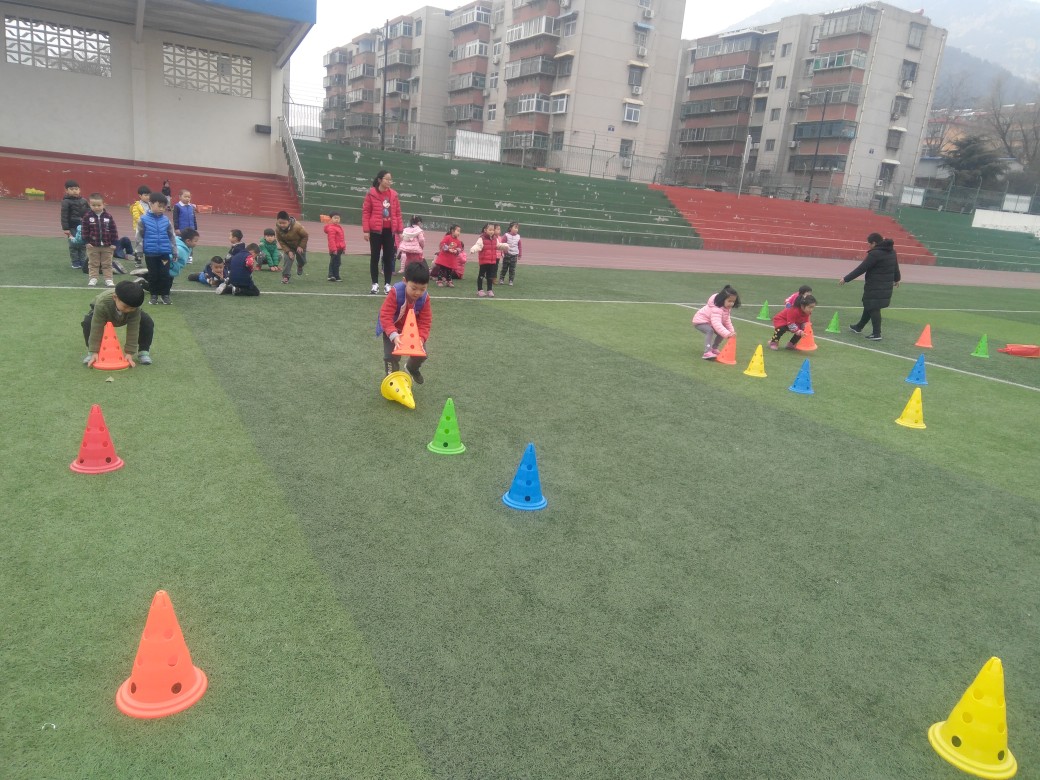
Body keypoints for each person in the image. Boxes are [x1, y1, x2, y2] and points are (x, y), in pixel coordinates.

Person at [839, 233, 901, 341]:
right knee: (869, 305)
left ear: (874, 243)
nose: (868, 245)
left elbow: (861, 268)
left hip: (875, 285)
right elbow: (895, 267)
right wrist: (897, 279)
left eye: (869, 243)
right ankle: (859, 327)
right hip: (885, 285)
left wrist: (846, 279)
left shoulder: (875, 254)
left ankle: (877, 334)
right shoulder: (892, 251)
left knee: (873, 307)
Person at [378, 261, 431, 383]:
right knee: (391, 356)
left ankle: (412, 368)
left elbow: (425, 321)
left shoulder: (424, 298)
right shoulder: (395, 292)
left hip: (413, 333)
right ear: (405, 281)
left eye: (422, 289)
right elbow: (385, 315)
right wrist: (393, 335)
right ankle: (392, 379)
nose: (418, 292)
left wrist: (421, 338)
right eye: (414, 288)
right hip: (393, 329)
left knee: (421, 354)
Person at [81, 280, 154, 366]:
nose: (129, 310)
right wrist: (94, 351)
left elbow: (133, 329)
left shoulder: (134, 307)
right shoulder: (102, 304)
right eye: (126, 307)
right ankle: (91, 354)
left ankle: (143, 352)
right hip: (105, 313)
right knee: (88, 322)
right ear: (115, 298)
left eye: (132, 308)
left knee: (147, 321)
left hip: (125, 316)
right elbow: (96, 327)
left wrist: (129, 353)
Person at [361, 169, 403, 294]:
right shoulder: (371, 193)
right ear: (380, 180)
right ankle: (374, 284)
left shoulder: (394, 195)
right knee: (375, 257)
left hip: (389, 231)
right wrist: (366, 230)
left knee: (388, 257)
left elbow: (398, 213)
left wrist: (400, 230)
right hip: (375, 231)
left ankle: (387, 285)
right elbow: (366, 212)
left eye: (391, 180)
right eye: (387, 179)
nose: (389, 182)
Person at [136, 192, 177, 305]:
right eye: (159, 206)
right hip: (150, 254)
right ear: (150, 204)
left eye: (164, 207)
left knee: (165, 274)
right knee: (153, 275)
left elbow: (172, 236)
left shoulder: (166, 220)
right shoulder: (143, 220)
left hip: (164, 254)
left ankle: (165, 295)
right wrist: (139, 251)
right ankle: (153, 295)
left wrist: (174, 251)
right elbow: (139, 236)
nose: (162, 209)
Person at [80, 193, 119, 288]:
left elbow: (113, 230)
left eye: (99, 205)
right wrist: (86, 242)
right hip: (93, 246)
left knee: (107, 263)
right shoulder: (87, 217)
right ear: (90, 205)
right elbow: (84, 230)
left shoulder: (108, 216)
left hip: (107, 246)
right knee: (93, 263)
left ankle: (108, 279)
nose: (96, 207)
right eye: (93, 205)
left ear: (104, 204)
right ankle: (93, 278)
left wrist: (114, 243)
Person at [692, 284, 740, 360]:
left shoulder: (726, 309)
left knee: (722, 331)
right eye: (729, 301)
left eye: (733, 301)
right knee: (710, 331)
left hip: (710, 322)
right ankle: (707, 352)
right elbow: (716, 324)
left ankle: (714, 348)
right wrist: (727, 334)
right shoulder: (716, 309)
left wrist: (731, 332)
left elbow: (727, 321)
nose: (731, 303)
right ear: (722, 300)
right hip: (700, 321)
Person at [60, 179, 89, 270]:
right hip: (72, 227)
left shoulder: (84, 201)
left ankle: (82, 261)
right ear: (66, 190)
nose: (74, 191)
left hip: (83, 226)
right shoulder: (66, 202)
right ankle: (75, 262)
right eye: (71, 189)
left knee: (83, 244)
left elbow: (89, 212)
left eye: (76, 189)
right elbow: (64, 216)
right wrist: (66, 228)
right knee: (73, 245)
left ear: (79, 190)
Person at [472, 223, 507, 298]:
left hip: (492, 261)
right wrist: (474, 249)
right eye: (490, 230)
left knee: (490, 277)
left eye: (493, 230)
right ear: (485, 230)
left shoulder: (495, 239)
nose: (492, 231)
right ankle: (480, 290)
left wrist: (504, 246)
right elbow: (478, 246)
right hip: (484, 261)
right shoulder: (481, 238)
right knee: (481, 275)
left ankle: (489, 290)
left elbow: (498, 246)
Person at [275, 210, 309, 284]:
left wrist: (301, 246)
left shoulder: (297, 226)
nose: (282, 225)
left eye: (284, 223)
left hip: (300, 245)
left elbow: (305, 236)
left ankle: (300, 266)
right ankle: (286, 276)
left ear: (289, 221)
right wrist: (288, 251)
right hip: (289, 246)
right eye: (280, 223)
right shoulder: (277, 229)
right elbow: (280, 241)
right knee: (288, 259)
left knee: (302, 261)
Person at [129, 185, 150, 269]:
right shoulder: (136, 206)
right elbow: (136, 217)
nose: (148, 197)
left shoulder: (150, 204)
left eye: (148, 195)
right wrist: (144, 223)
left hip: (149, 228)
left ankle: (149, 260)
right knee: (139, 244)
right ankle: (138, 261)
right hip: (140, 228)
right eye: (145, 195)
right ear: (140, 196)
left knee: (148, 244)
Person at [498, 221, 522, 285]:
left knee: (512, 269)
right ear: (510, 228)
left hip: (514, 255)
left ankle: (511, 280)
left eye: (517, 228)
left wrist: (519, 254)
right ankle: (501, 279)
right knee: (504, 268)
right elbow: (502, 244)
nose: (516, 229)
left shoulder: (518, 237)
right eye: (515, 227)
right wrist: (504, 252)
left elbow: (519, 246)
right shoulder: (506, 235)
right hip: (507, 254)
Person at [324, 211, 346, 282]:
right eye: (335, 218)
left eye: (338, 218)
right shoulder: (331, 228)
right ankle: (331, 275)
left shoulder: (339, 227)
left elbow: (342, 239)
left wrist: (343, 248)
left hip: (339, 248)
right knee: (334, 262)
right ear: (331, 219)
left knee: (337, 262)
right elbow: (331, 240)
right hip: (335, 249)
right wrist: (334, 249)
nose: (337, 219)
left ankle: (335, 275)